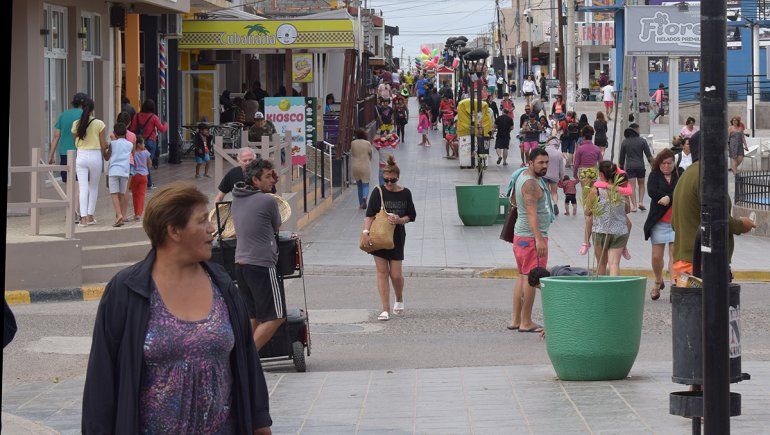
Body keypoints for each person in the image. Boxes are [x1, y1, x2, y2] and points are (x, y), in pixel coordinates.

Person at [82, 183, 272, 434]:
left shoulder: (223, 285)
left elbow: (248, 361)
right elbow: (101, 379)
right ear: (174, 230)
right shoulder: (126, 290)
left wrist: (260, 424)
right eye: (202, 221)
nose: (211, 228)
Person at [671, 132, 756, 280]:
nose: (726, 152)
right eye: (723, 148)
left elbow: (674, 224)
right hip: (703, 264)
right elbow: (716, 218)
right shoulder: (706, 176)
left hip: (684, 262)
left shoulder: (685, 176)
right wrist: (742, 224)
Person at [232, 159, 285, 351]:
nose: (272, 180)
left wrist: (271, 185)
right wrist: (273, 190)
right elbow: (276, 226)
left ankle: (241, 356)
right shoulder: (268, 201)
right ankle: (248, 360)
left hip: (241, 263)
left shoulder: (237, 198)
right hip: (261, 264)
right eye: (268, 177)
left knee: (253, 316)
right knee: (276, 316)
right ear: (255, 180)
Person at [362, 156, 417, 321]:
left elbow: (411, 215)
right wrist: (366, 232)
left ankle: (399, 298)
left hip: (397, 237)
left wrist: (400, 220)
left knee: (396, 275)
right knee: (382, 273)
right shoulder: (378, 191)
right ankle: (385, 309)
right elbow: (369, 215)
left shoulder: (405, 193)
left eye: (392, 180)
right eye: (386, 180)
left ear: (397, 177)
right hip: (378, 236)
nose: (389, 183)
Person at [509, 148, 552, 333]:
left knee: (523, 276)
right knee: (531, 279)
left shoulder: (522, 176)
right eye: (540, 163)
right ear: (531, 163)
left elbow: (513, 200)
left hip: (521, 236)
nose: (545, 166)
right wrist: (539, 239)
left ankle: (516, 319)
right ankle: (526, 322)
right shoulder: (531, 184)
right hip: (531, 238)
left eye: (547, 162)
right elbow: (531, 213)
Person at [644, 149, 681, 300]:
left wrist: (669, 198)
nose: (666, 166)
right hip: (659, 222)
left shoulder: (680, 173)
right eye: (663, 163)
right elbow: (652, 191)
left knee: (674, 255)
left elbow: (681, 191)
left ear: (674, 163)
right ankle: (658, 280)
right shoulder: (654, 175)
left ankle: (674, 286)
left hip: (675, 222)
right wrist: (666, 196)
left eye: (669, 163)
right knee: (656, 257)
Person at [585, 162, 631, 276]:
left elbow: (587, 211)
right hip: (619, 231)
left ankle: (601, 288)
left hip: (601, 230)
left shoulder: (595, 191)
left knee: (601, 264)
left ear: (601, 174)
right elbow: (627, 209)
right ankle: (614, 287)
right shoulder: (621, 190)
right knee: (614, 264)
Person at [48, 92, 86, 222]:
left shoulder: (63, 115)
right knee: (77, 184)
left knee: (68, 184)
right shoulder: (85, 115)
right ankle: (74, 212)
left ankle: (70, 211)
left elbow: (56, 136)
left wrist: (51, 155)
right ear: (84, 103)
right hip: (79, 152)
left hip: (64, 154)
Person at [71, 97, 107, 227]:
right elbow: (103, 144)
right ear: (93, 109)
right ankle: (90, 216)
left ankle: (83, 219)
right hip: (95, 155)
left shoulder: (76, 124)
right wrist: (107, 149)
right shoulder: (99, 124)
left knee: (83, 188)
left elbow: (75, 142)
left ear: (82, 108)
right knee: (93, 187)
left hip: (81, 155)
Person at [129, 99, 168, 188]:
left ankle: (136, 181)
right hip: (151, 142)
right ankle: (149, 183)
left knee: (137, 161)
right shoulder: (154, 117)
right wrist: (166, 124)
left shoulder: (136, 116)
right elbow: (162, 129)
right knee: (147, 162)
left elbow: (132, 129)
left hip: (139, 142)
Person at [619, 122, 653, 212]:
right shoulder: (642, 141)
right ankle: (641, 202)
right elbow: (649, 156)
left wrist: (621, 169)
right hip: (640, 166)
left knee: (632, 187)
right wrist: (653, 167)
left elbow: (621, 158)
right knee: (641, 184)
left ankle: (634, 206)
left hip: (630, 167)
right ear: (636, 130)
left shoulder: (625, 142)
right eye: (639, 129)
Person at [105, 123, 134, 227]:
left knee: (114, 194)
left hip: (114, 171)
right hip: (125, 171)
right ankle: (120, 216)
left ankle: (119, 215)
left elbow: (107, 157)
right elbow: (132, 154)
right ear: (125, 133)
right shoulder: (130, 144)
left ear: (114, 133)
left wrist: (104, 151)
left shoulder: (112, 144)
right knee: (121, 194)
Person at [129, 138, 152, 221]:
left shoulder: (133, 154)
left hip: (134, 176)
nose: (144, 145)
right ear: (139, 144)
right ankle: (139, 213)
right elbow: (150, 164)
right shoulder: (146, 153)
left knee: (135, 195)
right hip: (143, 176)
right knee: (141, 195)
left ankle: (136, 213)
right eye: (143, 143)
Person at [351, 129, 373, 209]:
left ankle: (361, 204)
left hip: (355, 166)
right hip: (365, 166)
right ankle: (365, 197)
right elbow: (370, 154)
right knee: (366, 184)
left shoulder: (353, 143)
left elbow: (352, 153)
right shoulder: (367, 143)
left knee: (359, 186)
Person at [543, 135, 565, 214]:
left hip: (544, 174)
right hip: (554, 176)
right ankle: (555, 204)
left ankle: (547, 206)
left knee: (546, 191)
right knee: (554, 192)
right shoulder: (559, 153)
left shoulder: (544, 151)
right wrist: (562, 178)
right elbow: (561, 168)